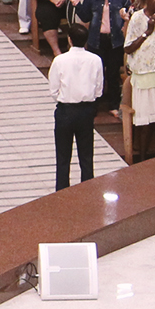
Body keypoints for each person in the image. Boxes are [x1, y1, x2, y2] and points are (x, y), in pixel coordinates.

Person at [48, 32, 104, 191]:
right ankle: (87, 192)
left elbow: (53, 90)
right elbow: (99, 89)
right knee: (86, 157)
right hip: (86, 111)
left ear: (69, 39)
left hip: (66, 111)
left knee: (63, 157)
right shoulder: (95, 60)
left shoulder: (59, 60)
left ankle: (62, 192)